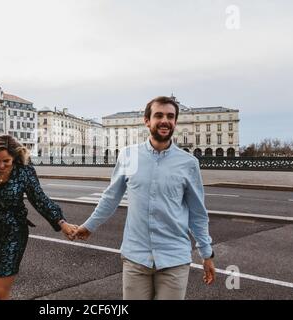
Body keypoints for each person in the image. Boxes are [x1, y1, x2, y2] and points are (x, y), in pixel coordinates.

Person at [72, 96, 216, 300]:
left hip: (174, 258)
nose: (165, 120)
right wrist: (89, 226)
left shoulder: (188, 163)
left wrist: (206, 253)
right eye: (158, 115)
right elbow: (111, 197)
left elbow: (197, 213)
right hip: (136, 258)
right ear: (147, 121)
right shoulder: (129, 156)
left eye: (170, 116)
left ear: (175, 122)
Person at [0, 135, 76, 300]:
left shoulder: (24, 172)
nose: (1, 165)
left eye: (6, 161)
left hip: (14, 232)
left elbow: (40, 199)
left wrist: (61, 222)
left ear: (14, 157)